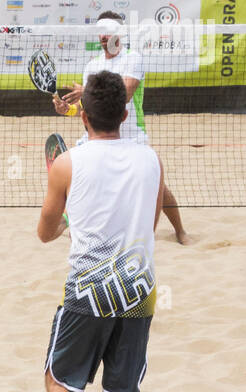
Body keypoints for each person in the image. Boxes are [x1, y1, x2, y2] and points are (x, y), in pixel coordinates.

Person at [38, 71, 163, 392]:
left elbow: (45, 233)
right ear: (126, 113)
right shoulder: (151, 160)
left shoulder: (68, 164)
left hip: (89, 288)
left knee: (57, 381)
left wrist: (72, 215)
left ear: (83, 114)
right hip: (137, 289)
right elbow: (148, 227)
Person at [55, 13, 189, 244]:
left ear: (120, 33)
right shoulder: (92, 65)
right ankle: (76, 223)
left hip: (131, 135)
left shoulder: (132, 58)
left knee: (157, 186)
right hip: (98, 136)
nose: (104, 36)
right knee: (81, 178)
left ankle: (180, 231)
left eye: (109, 30)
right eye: (101, 31)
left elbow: (124, 93)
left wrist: (86, 91)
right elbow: (87, 109)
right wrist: (67, 109)